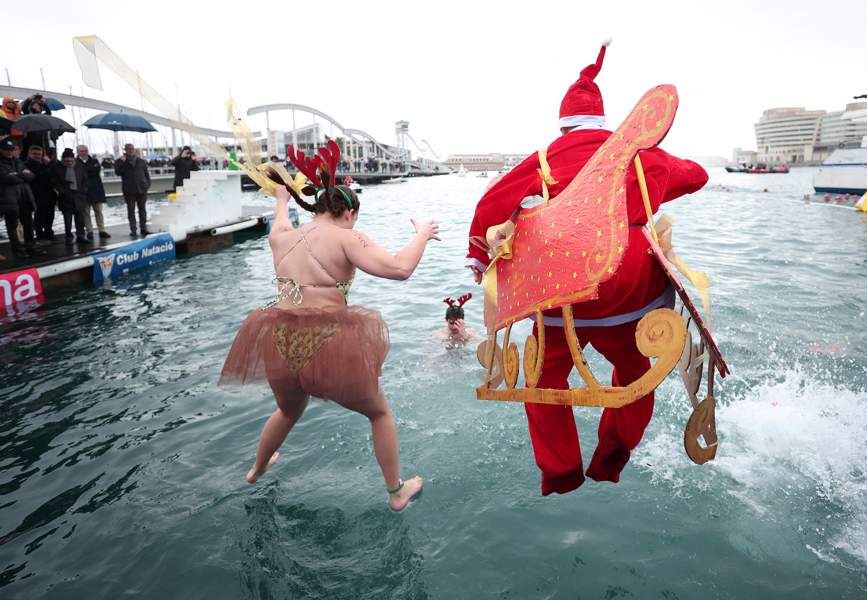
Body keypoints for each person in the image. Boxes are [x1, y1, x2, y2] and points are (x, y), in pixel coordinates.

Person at [465, 42, 709, 496]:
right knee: (635, 368)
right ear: (602, 121)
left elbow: (490, 206)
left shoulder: (543, 160)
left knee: (542, 376)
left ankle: (560, 472)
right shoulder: (638, 155)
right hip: (628, 289)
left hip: (561, 294)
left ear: (563, 124)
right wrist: (650, 189)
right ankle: (612, 456)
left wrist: (480, 258)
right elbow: (696, 175)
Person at [219, 141, 439, 511]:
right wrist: (422, 232)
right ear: (349, 211)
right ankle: (396, 492)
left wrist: (282, 198)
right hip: (327, 339)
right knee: (378, 412)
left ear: (317, 207)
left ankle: (256, 470)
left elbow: (280, 218)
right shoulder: (347, 237)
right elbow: (400, 269)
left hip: (281, 338)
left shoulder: (281, 238)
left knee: (289, 410)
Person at [0, 137, 37, 257]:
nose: (10, 152)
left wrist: (18, 174)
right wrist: (22, 175)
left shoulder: (18, 161)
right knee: (12, 226)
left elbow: (31, 176)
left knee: (28, 223)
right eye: (7, 150)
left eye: (11, 149)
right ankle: (17, 249)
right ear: (1, 150)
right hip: (9, 199)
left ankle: (30, 245)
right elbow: (6, 178)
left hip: (24, 197)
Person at [52, 148, 89, 245]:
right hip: (65, 197)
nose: (69, 162)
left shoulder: (79, 166)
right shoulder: (58, 168)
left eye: (71, 160)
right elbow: (55, 182)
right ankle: (68, 237)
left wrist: (83, 191)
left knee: (80, 219)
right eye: (67, 161)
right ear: (63, 160)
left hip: (79, 196)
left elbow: (85, 180)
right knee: (67, 220)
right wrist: (63, 191)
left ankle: (81, 236)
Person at [114, 143, 151, 236]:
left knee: (142, 209)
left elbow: (146, 174)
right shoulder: (120, 161)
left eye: (132, 148)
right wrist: (123, 162)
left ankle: (143, 228)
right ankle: (133, 230)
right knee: (131, 210)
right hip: (129, 190)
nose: (130, 150)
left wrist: (147, 185)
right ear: (125, 150)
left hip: (142, 189)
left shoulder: (141, 161)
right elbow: (118, 172)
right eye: (128, 149)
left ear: (134, 149)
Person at [24, 145, 57, 242]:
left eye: (39, 154)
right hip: (37, 194)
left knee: (50, 215)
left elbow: (53, 174)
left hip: (49, 194)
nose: (37, 156)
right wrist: (48, 165)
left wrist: (49, 163)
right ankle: (39, 235)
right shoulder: (27, 164)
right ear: (30, 154)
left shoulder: (44, 163)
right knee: (39, 216)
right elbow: (38, 176)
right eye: (35, 154)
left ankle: (49, 232)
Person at [76, 145, 109, 240]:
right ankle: (89, 231)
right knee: (85, 213)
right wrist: (87, 171)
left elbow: (96, 171)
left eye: (85, 150)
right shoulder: (75, 162)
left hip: (96, 190)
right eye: (81, 151)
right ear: (78, 152)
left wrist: (83, 171)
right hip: (83, 191)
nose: (84, 152)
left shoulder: (94, 161)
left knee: (98, 211)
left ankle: (101, 230)